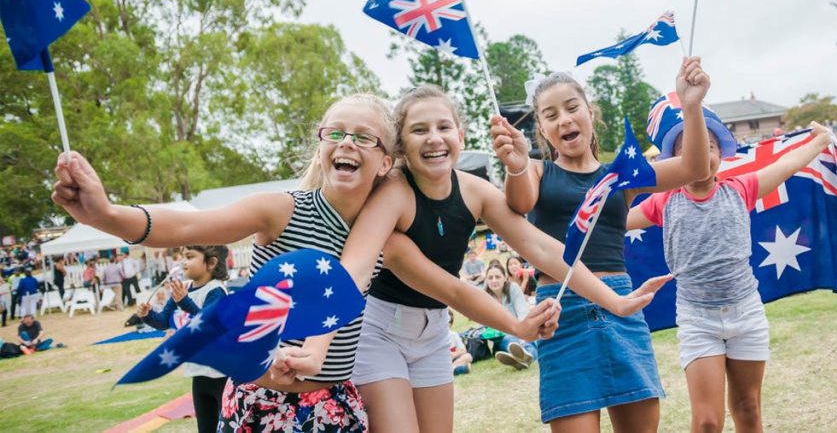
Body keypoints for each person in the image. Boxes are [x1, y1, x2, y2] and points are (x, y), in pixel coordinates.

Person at [52, 94, 556, 433]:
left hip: (335, 403)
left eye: (363, 137)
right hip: (260, 400)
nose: (347, 143)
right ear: (321, 146)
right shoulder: (282, 209)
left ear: (386, 162)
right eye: (335, 132)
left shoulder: (387, 236)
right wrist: (108, 214)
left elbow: (455, 289)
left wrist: (516, 322)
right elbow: (188, 226)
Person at [343, 85, 670, 433]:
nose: (434, 139)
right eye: (419, 130)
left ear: (461, 134)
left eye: (444, 127)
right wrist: (516, 326)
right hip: (381, 331)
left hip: (435, 330)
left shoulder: (474, 191)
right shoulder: (394, 193)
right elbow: (446, 289)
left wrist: (615, 302)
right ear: (401, 144)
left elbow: (542, 247)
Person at [490, 57, 712, 432]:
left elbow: (694, 168)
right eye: (550, 114)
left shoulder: (623, 173)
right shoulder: (538, 171)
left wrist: (691, 107)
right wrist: (515, 165)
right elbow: (520, 202)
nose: (564, 119)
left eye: (572, 107)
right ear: (541, 129)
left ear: (590, 112)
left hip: (621, 309)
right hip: (561, 315)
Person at [629, 115, 836, 433]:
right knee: (708, 421)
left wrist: (821, 140)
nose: (701, 153)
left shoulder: (742, 188)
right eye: (689, 149)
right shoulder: (664, 201)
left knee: (748, 408)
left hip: (746, 315)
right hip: (698, 321)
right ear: (677, 162)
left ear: (720, 154)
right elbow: (614, 223)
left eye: (709, 146)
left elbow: (787, 165)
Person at [138, 246, 229, 433]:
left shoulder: (216, 290)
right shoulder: (183, 289)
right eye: (182, 257)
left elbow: (208, 324)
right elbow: (164, 321)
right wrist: (147, 315)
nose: (183, 262)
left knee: (227, 427)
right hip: (198, 372)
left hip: (222, 374)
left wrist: (185, 302)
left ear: (211, 263)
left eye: (189, 257)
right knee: (205, 427)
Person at [484, 263, 538, 370]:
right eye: (490, 278)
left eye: (497, 277)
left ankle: (521, 358)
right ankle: (524, 357)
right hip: (502, 337)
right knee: (509, 340)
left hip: (522, 330)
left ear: (505, 278)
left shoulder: (513, 289)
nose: (494, 281)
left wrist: (521, 335)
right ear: (486, 280)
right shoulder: (484, 295)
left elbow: (522, 313)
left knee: (527, 342)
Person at [448, 311, 472, 376]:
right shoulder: (435, 337)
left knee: (468, 356)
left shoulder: (453, 335)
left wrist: (453, 355)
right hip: (441, 361)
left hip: (453, 360)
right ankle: (455, 370)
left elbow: (463, 350)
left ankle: (450, 369)